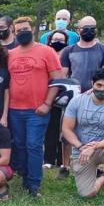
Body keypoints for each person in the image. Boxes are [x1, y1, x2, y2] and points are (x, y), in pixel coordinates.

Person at [7, 17, 63, 197]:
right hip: (14, 109)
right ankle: (24, 175)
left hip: (37, 110)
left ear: (32, 29)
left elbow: (57, 80)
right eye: (18, 31)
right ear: (14, 33)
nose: (21, 32)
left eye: (25, 29)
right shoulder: (11, 54)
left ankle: (34, 184)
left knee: (34, 145)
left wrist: (47, 103)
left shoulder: (47, 52)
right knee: (19, 145)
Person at [57, 15, 104, 178]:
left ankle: (92, 163)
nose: (88, 30)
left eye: (92, 27)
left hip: (97, 98)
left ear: (96, 29)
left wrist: (94, 91)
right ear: (78, 30)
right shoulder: (69, 50)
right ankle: (65, 165)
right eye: (85, 27)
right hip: (73, 100)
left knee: (92, 132)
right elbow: (64, 75)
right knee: (67, 132)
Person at [63, 68, 104, 206]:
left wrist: (94, 146)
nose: (101, 89)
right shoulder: (77, 101)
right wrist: (81, 147)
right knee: (87, 194)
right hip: (82, 150)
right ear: (92, 83)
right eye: (98, 85)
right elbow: (67, 129)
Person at [43, 29, 70, 172]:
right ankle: (48, 159)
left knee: (64, 129)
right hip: (49, 95)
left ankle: (62, 160)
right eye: (55, 39)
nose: (57, 42)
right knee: (50, 128)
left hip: (66, 96)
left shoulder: (69, 55)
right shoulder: (46, 54)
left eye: (61, 40)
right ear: (50, 40)